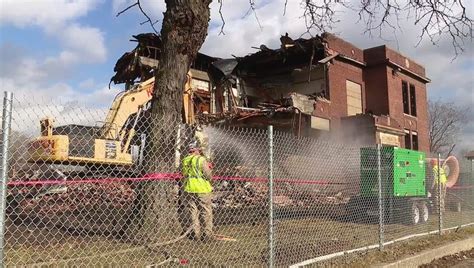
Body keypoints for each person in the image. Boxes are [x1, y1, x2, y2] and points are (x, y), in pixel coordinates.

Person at [181, 141, 214, 241]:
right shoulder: (201, 159)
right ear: (197, 150)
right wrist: (210, 172)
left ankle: (196, 233)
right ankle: (207, 234)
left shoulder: (185, 160)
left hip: (189, 188)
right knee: (205, 211)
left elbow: (184, 174)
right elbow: (208, 175)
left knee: (193, 211)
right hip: (202, 188)